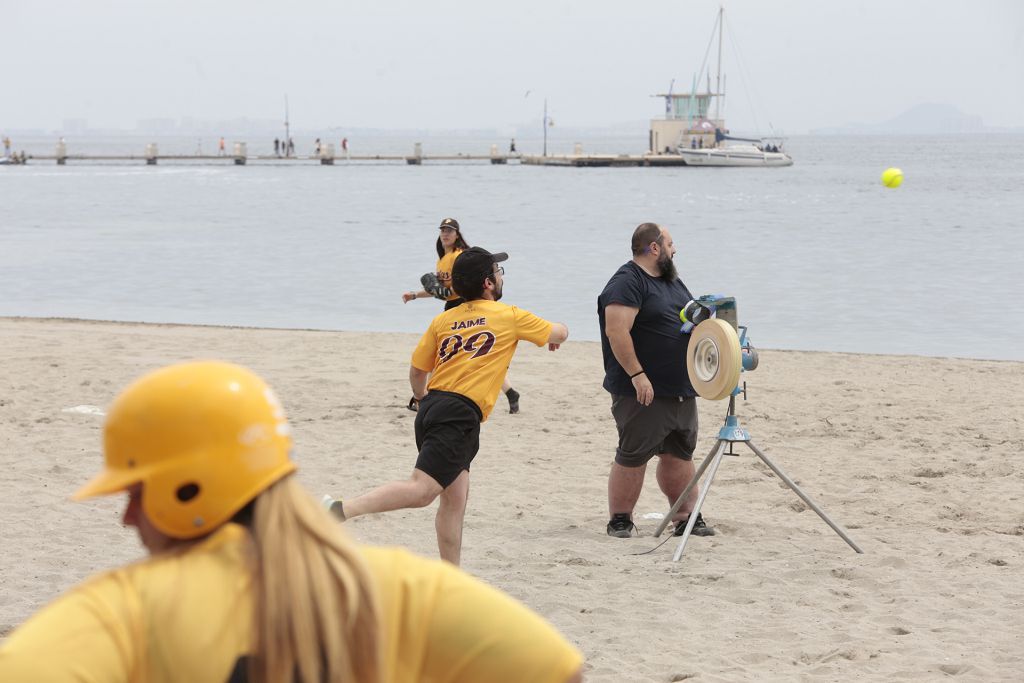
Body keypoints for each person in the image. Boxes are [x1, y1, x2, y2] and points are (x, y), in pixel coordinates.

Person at [0, 361, 584, 683]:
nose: (127, 518)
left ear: (188, 489)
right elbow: (557, 671)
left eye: (135, 493)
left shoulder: (120, 613)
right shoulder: (406, 592)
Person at [326, 248, 569, 565]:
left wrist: (421, 399)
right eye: (498, 271)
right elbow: (560, 332)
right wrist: (557, 334)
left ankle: (450, 576)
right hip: (458, 414)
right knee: (422, 490)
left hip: (435, 408)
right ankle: (338, 509)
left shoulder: (444, 319)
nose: (500, 275)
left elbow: (417, 371)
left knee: (454, 500)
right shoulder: (508, 315)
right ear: (488, 284)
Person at [597, 222, 715, 539]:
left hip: (680, 387)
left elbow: (690, 318)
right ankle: (620, 519)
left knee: (679, 453)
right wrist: (638, 375)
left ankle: (686, 516)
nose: (675, 249)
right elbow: (616, 330)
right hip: (641, 389)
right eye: (671, 243)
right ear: (654, 247)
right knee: (634, 454)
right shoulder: (627, 282)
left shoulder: (671, 281)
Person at [403, 217, 523, 414]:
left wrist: (441, 293)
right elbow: (442, 290)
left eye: (450, 230)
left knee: (448, 353)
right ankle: (510, 392)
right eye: (443, 230)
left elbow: (457, 289)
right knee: (476, 354)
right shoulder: (442, 259)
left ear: (457, 234)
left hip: (463, 305)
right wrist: (416, 294)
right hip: (453, 306)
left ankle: (431, 394)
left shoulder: (458, 256)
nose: (445, 233)